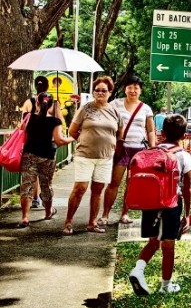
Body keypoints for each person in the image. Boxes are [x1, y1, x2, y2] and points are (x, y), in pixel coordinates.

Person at [128, 114, 191, 295]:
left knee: (153, 242)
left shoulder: (152, 152)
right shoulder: (183, 156)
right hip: (171, 205)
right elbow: (187, 189)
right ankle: (166, 286)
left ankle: (138, 270)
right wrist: (187, 215)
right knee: (168, 246)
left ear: (162, 133)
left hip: (149, 202)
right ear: (184, 135)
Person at [62, 76, 123, 235]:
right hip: (85, 155)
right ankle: (68, 221)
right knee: (80, 188)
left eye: (104, 90)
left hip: (105, 158)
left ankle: (92, 223)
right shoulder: (85, 108)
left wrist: (113, 145)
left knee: (98, 189)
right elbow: (73, 131)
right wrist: (84, 141)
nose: (100, 93)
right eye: (97, 90)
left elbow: (120, 133)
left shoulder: (114, 111)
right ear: (93, 92)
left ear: (110, 92)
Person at [98, 75, 156, 226]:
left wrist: (152, 149)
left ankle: (125, 213)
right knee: (114, 182)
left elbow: (150, 131)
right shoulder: (115, 104)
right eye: (130, 87)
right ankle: (105, 215)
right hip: (121, 149)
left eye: (136, 88)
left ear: (140, 91)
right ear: (125, 89)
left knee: (132, 184)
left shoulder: (145, 108)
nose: (133, 90)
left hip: (139, 150)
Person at [17, 92, 75, 228]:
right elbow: (60, 140)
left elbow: (21, 130)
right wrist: (73, 138)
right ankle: (48, 212)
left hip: (29, 155)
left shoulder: (28, 116)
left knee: (27, 185)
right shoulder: (55, 121)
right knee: (46, 185)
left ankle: (25, 217)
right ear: (51, 105)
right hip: (47, 157)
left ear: (36, 102)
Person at [20, 75, 64, 208]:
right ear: (48, 86)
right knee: (45, 177)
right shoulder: (54, 103)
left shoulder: (29, 102)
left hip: (31, 143)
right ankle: (46, 206)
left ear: (35, 86)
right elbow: (60, 121)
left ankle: (34, 198)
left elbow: (22, 124)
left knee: (29, 177)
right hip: (48, 145)